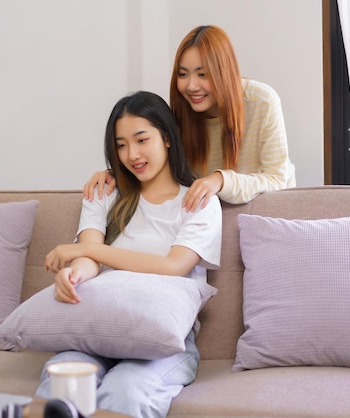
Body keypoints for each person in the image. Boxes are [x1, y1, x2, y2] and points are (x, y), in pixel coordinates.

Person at [36, 91, 222, 418]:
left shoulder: (197, 202)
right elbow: (89, 259)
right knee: (59, 386)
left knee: (125, 392)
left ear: (166, 137)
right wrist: (74, 274)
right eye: (121, 145)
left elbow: (174, 266)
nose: (131, 154)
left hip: (161, 344)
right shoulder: (106, 193)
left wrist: (91, 249)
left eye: (141, 140)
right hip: (98, 330)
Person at [84, 25, 296, 211]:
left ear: (224, 72)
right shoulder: (182, 112)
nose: (191, 86)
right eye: (183, 74)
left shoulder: (261, 101)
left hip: (261, 214)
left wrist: (220, 180)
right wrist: (115, 174)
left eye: (202, 74)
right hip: (204, 217)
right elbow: (160, 166)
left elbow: (278, 180)